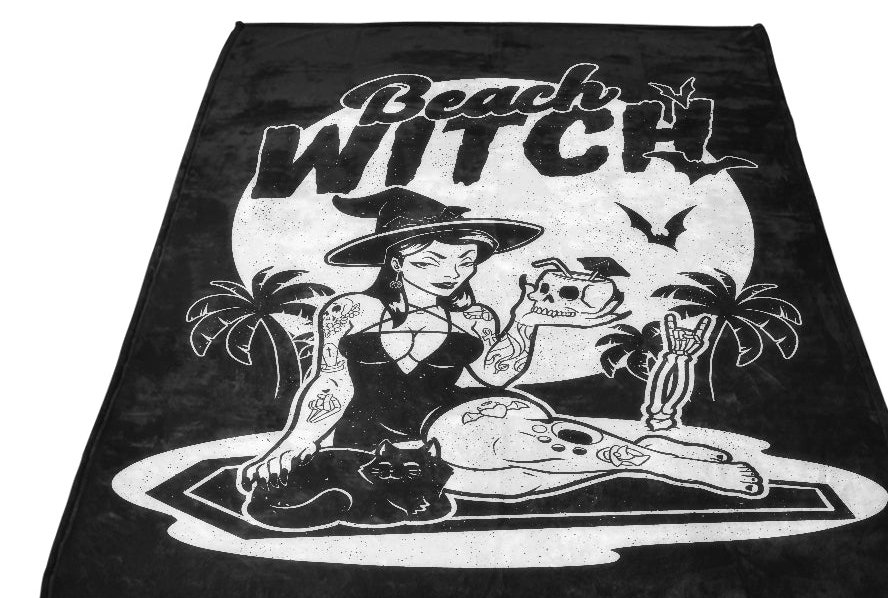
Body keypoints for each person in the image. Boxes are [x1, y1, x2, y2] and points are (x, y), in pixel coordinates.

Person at [239, 189, 763, 517]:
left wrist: (525, 320)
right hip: (374, 439)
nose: (452, 274)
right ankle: (646, 455)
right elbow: (332, 381)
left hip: (454, 417)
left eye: (465, 261)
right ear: (397, 261)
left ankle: (662, 462)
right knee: (516, 483)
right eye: (432, 262)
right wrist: (298, 439)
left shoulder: (475, 317)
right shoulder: (351, 310)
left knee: (523, 437)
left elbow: (493, 375)